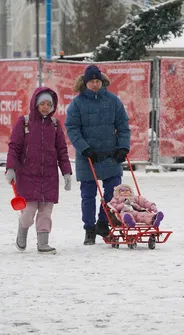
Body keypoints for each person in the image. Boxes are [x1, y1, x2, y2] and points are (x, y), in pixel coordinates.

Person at [65, 65, 131, 246]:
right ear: (85, 83)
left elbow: (123, 126)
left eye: (97, 81)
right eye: (91, 81)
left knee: (113, 194)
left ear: (102, 82)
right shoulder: (77, 104)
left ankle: (104, 223)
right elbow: (72, 128)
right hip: (88, 157)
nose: (95, 84)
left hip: (111, 155)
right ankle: (89, 229)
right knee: (88, 195)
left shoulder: (113, 101)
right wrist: (84, 148)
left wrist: (123, 147)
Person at [6, 87, 72, 254]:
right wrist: (11, 168)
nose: (45, 107)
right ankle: (22, 229)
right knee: (28, 211)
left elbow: (62, 150)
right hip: (27, 175)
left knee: (46, 212)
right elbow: (14, 147)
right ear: (35, 103)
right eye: (42, 103)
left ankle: (43, 243)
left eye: (48, 104)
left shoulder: (55, 125)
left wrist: (66, 172)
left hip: (49, 176)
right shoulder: (24, 122)